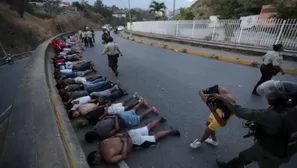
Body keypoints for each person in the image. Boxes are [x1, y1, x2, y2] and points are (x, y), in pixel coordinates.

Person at [213, 80, 297, 168]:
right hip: (281, 147)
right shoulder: (292, 108)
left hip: (272, 153)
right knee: (245, 156)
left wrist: (222, 99)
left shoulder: (272, 115)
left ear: (283, 97)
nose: (268, 95)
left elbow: (240, 111)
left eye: (273, 94)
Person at [87, 119, 180, 165]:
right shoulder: (102, 143)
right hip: (130, 134)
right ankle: (160, 120)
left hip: (134, 142)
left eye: (95, 161)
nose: (97, 162)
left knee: (154, 138)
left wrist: (124, 142)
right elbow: (115, 135)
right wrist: (122, 136)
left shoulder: (108, 158)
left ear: (95, 157)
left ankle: (170, 131)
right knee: (146, 128)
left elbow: (123, 156)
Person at [84, 105, 160, 142]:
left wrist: (116, 118)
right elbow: (105, 118)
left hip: (123, 121)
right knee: (132, 111)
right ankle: (141, 102)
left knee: (139, 118)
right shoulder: (96, 125)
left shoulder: (103, 135)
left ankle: (151, 110)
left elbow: (116, 129)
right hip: (118, 116)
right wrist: (114, 116)